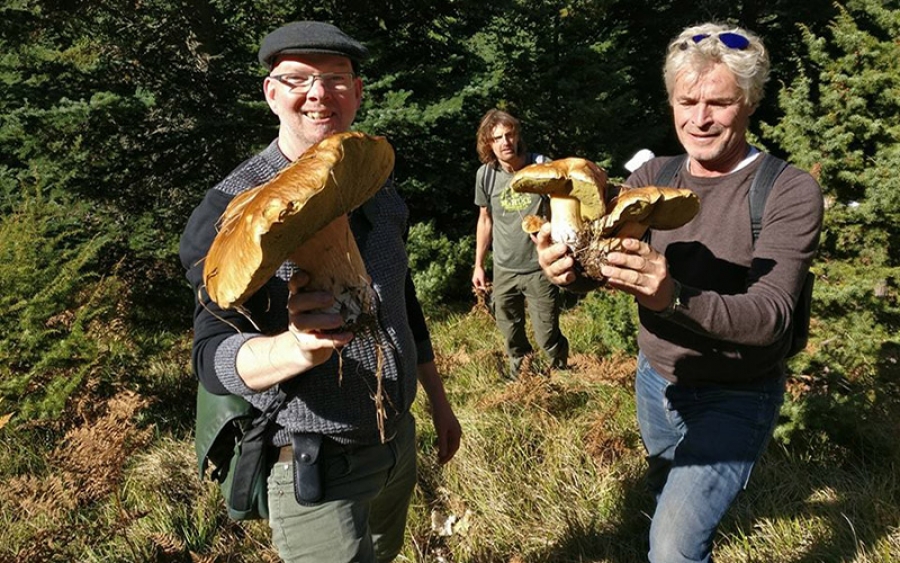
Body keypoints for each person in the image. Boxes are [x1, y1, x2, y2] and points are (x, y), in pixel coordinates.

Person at [536, 23, 823, 563]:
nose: (699, 118)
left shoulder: (788, 189)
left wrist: (672, 296)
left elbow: (771, 317)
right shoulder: (652, 175)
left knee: (672, 547)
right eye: (686, 100)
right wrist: (563, 266)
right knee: (666, 490)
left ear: (750, 101)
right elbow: (601, 260)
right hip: (657, 378)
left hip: (738, 391)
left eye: (719, 102)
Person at [179, 21, 461, 563]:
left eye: (335, 78)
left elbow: (403, 303)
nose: (317, 94)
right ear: (271, 93)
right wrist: (294, 347)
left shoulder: (371, 178)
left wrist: (439, 404)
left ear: (357, 91)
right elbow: (209, 357)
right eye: (297, 78)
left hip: (396, 439)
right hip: (313, 461)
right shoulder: (226, 210)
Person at [472, 109, 569, 378]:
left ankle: (561, 377)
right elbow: (485, 220)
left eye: (510, 135)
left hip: (540, 268)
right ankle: (523, 380)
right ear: (488, 144)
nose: (505, 142)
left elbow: (566, 206)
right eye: (498, 138)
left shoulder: (541, 167)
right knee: (511, 334)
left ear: (517, 136)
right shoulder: (486, 175)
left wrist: (552, 232)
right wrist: (478, 265)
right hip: (504, 270)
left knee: (547, 334)